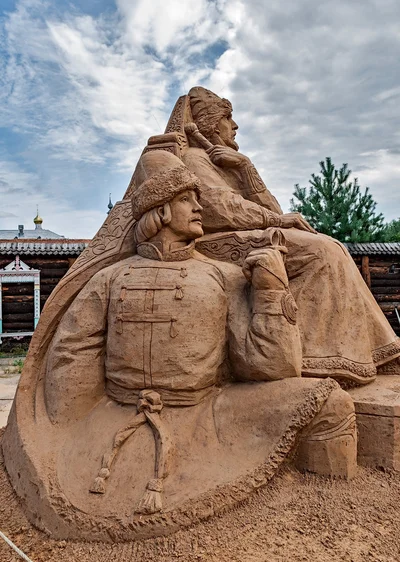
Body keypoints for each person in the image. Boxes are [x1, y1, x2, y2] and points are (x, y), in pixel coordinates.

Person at [3, 150, 356, 539]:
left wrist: (271, 292)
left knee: (332, 406)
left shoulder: (223, 276)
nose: (199, 206)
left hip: (208, 412)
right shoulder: (109, 279)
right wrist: (74, 426)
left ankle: (326, 522)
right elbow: (74, 354)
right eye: (188, 198)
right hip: (112, 419)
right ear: (162, 211)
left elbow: (271, 367)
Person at [179, 86, 400, 385]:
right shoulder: (195, 159)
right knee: (322, 252)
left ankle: (370, 351)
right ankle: (316, 357)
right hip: (216, 243)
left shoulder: (228, 161)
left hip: (250, 236)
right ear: (209, 122)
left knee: (332, 246)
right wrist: (275, 219)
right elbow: (218, 209)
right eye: (228, 117)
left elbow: (274, 209)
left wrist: (246, 168)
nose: (235, 125)